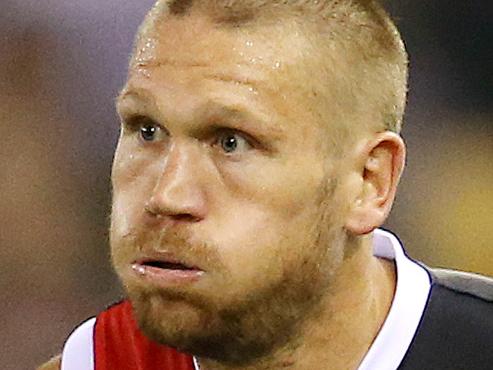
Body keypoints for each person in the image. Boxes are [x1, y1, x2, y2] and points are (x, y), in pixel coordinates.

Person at [39, 0, 493, 369]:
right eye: (147, 130)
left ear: (368, 182)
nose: (167, 196)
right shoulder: (103, 360)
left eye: (231, 142)